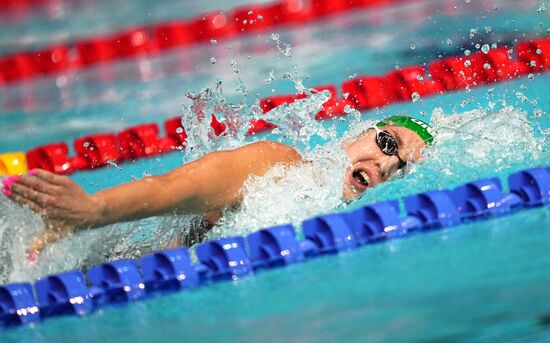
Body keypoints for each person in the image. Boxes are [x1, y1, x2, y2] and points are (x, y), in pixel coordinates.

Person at [1, 115, 433, 259]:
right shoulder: (281, 166)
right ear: (358, 133)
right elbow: (173, 188)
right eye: (385, 142)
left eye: (401, 165)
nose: (384, 163)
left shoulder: (347, 225)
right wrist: (93, 211)